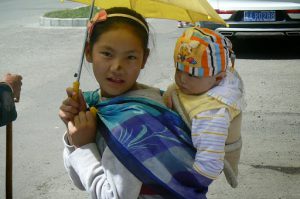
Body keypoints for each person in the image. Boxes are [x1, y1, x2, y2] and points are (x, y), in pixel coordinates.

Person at [59, 7, 211, 199]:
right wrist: (73, 136)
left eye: (130, 57)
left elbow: (110, 195)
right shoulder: (99, 105)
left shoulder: (136, 120)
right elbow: (82, 181)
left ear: (143, 59)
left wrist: (83, 146)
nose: (117, 67)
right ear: (88, 52)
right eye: (107, 53)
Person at [163, 27, 245, 188]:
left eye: (192, 74)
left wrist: (187, 186)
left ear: (218, 78)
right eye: (179, 69)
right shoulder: (199, 85)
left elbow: (209, 164)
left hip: (194, 171)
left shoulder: (211, 112)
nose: (182, 79)